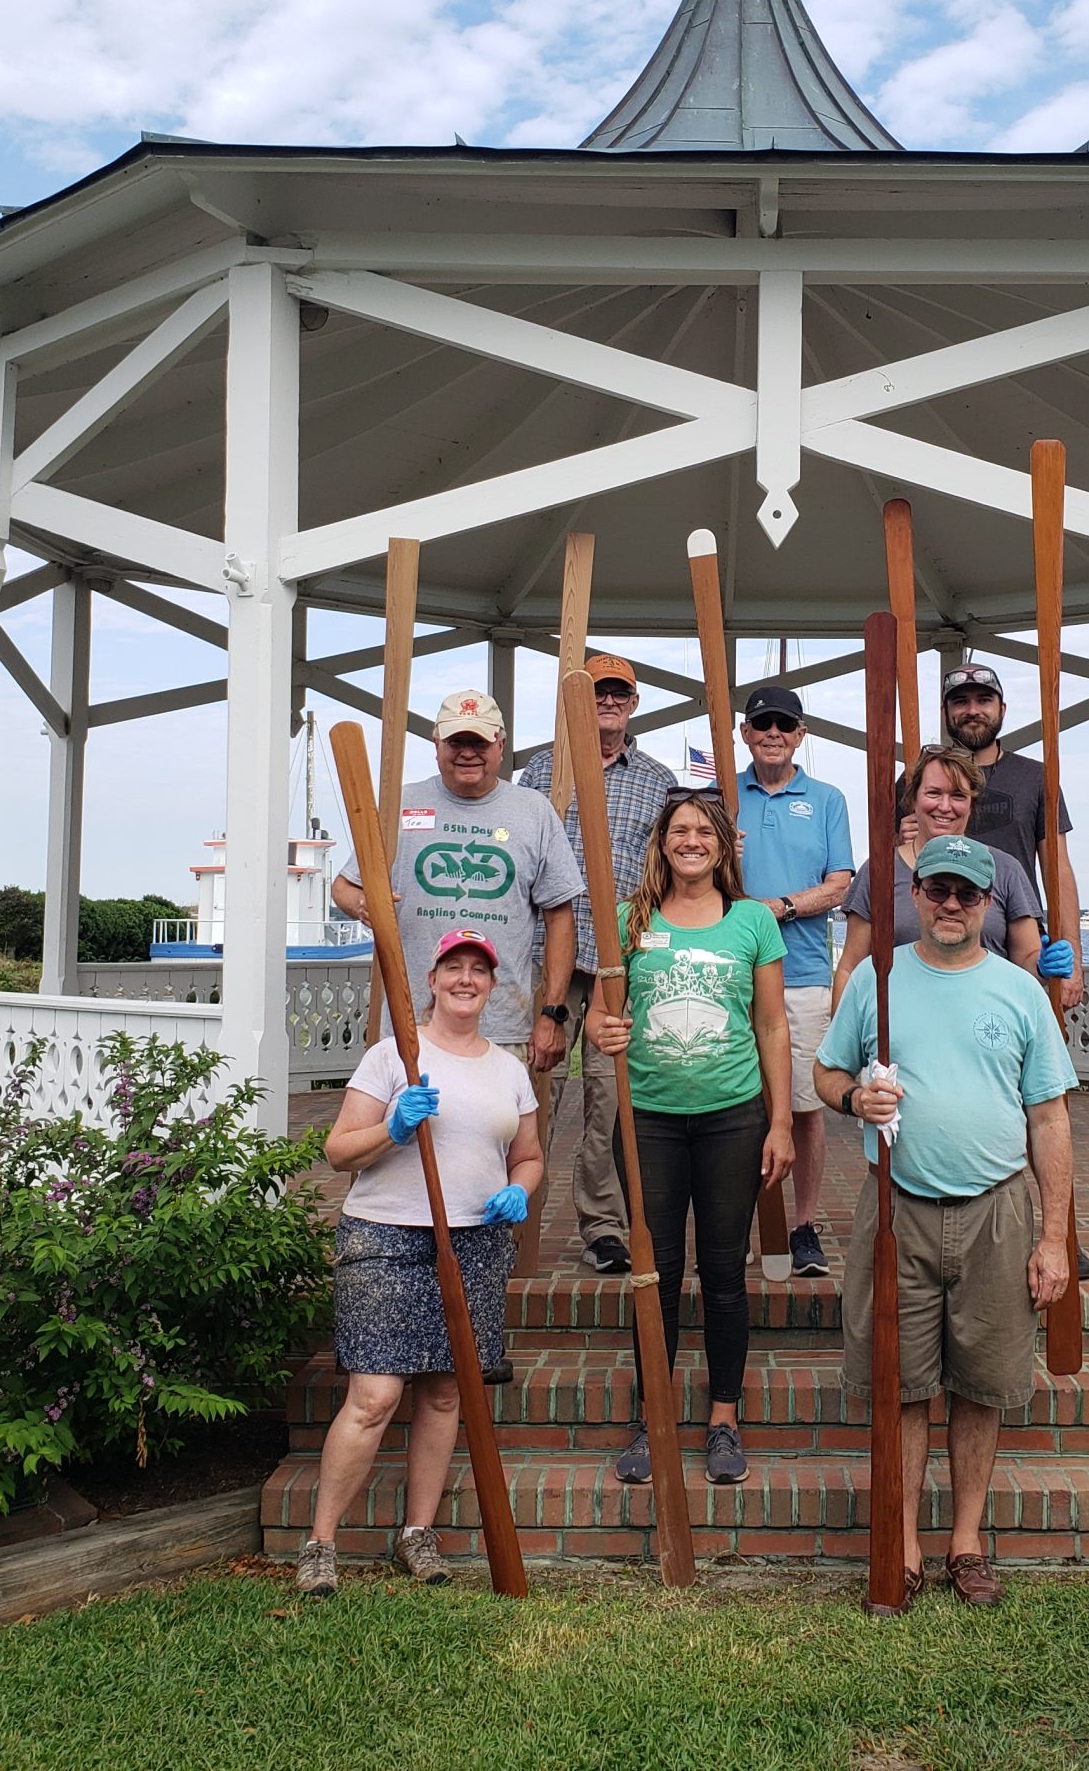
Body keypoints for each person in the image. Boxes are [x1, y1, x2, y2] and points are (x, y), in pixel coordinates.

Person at [815, 835, 1076, 1609]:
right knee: (901, 1385)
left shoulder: (1019, 991)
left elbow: (1051, 1117)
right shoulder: (876, 982)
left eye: (968, 893)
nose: (952, 905)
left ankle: (965, 1542)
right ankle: (902, 1542)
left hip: (997, 1209)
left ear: (989, 903)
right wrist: (851, 1097)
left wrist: (1054, 1235)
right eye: (939, 890)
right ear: (916, 895)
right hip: (898, 1207)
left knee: (983, 1385)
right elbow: (825, 1070)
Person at [297, 929, 543, 1597]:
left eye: (479, 971)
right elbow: (340, 1149)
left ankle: (416, 1535)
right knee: (375, 1394)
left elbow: (528, 1154)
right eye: (453, 968)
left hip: (474, 1243)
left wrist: (519, 1188)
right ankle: (320, 1543)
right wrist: (394, 1129)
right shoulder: (393, 1056)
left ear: (493, 985)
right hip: (385, 1237)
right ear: (431, 980)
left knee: (441, 1393)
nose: (466, 979)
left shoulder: (508, 1070)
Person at [584, 793, 792, 1486]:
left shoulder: (753, 921)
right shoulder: (627, 921)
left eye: (705, 831)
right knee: (658, 1274)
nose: (692, 841)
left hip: (734, 1117)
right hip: (648, 1121)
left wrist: (782, 1122)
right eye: (681, 831)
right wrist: (605, 1031)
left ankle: (724, 1419)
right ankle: (655, 1417)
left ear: (723, 846)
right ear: (662, 843)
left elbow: (771, 1027)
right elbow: (599, 1019)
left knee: (726, 1273)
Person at [516, 652, 676, 1276]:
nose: (607, 702)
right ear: (575, 703)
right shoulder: (541, 772)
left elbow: (673, 864)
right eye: (595, 693)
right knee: (532, 1090)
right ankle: (513, 1220)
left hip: (620, 961)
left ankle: (603, 1226)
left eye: (618, 692)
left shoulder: (659, 779)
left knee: (609, 1098)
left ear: (633, 703)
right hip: (546, 953)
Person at [331, 687, 581, 1085]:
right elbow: (344, 886)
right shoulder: (399, 803)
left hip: (501, 1030)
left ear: (500, 745)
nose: (468, 752)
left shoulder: (533, 812)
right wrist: (365, 904)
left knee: (501, 1144)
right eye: (457, 741)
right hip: (412, 1027)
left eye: (479, 742)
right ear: (436, 744)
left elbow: (561, 917)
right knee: (410, 1140)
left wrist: (552, 1014)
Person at [733, 683, 855, 1277]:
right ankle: (739, 1227)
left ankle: (801, 1225)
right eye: (763, 724)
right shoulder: (719, 795)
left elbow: (840, 885)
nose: (773, 733)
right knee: (731, 1103)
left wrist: (774, 908)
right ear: (745, 733)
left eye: (785, 724)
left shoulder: (828, 799)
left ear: (801, 732)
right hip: (729, 971)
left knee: (803, 1106)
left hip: (802, 972)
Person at [833, 745, 1067, 997]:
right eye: (934, 793)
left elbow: (1026, 965)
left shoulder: (1005, 870)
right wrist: (841, 1033)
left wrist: (1043, 966)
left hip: (985, 1022)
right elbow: (850, 968)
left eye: (958, 796)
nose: (945, 806)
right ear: (913, 799)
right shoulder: (879, 873)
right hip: (899, 1025)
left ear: (971, 804)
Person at [940, 663, 1086, 1013]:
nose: (972, 710)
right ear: (946, 712)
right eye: (960, 701)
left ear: (1001, 709)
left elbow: (1058, 870)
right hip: (943, 933)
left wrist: (1073, 961)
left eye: (983, 700)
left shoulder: (1035, 778)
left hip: (1019, 944)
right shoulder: (922, 784)